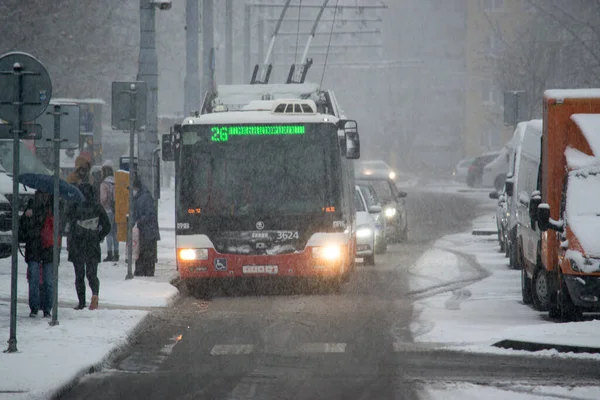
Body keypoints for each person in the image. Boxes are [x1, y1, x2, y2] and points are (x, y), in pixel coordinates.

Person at [66, 184, 110, 310]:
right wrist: (98, 236)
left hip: (77, 245)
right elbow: (107, 226)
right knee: (92, 274)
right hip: (92, 245)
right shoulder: (97, 207)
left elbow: (67, 224)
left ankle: (81, 302)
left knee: (79, 275)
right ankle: (95, 295)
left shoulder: (74, 206)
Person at [18, 192, 56, 318]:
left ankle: (37, 308)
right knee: (46, 281)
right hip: (46, 249)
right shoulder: (52, 208)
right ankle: (45, 308)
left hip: (37, 248)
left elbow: (23, 231)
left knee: (36, 280)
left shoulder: (43, 209)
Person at [132, 177, 160, 277]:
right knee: (142, 252)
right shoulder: (139, 197)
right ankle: (142, 271)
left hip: (148, 232)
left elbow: (149, 214)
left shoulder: (145, 197)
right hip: (144, 231)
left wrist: (139, 221)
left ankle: (145, 272)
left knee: (146, 253)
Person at [100, 161, 118, 261]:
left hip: (107, 210)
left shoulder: (104, 184)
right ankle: (116, 253)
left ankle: (110, 253)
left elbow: (103, 198)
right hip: (116, 210)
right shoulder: (116, 183)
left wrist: (102, 205)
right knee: (115, 233)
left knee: (109, 233)